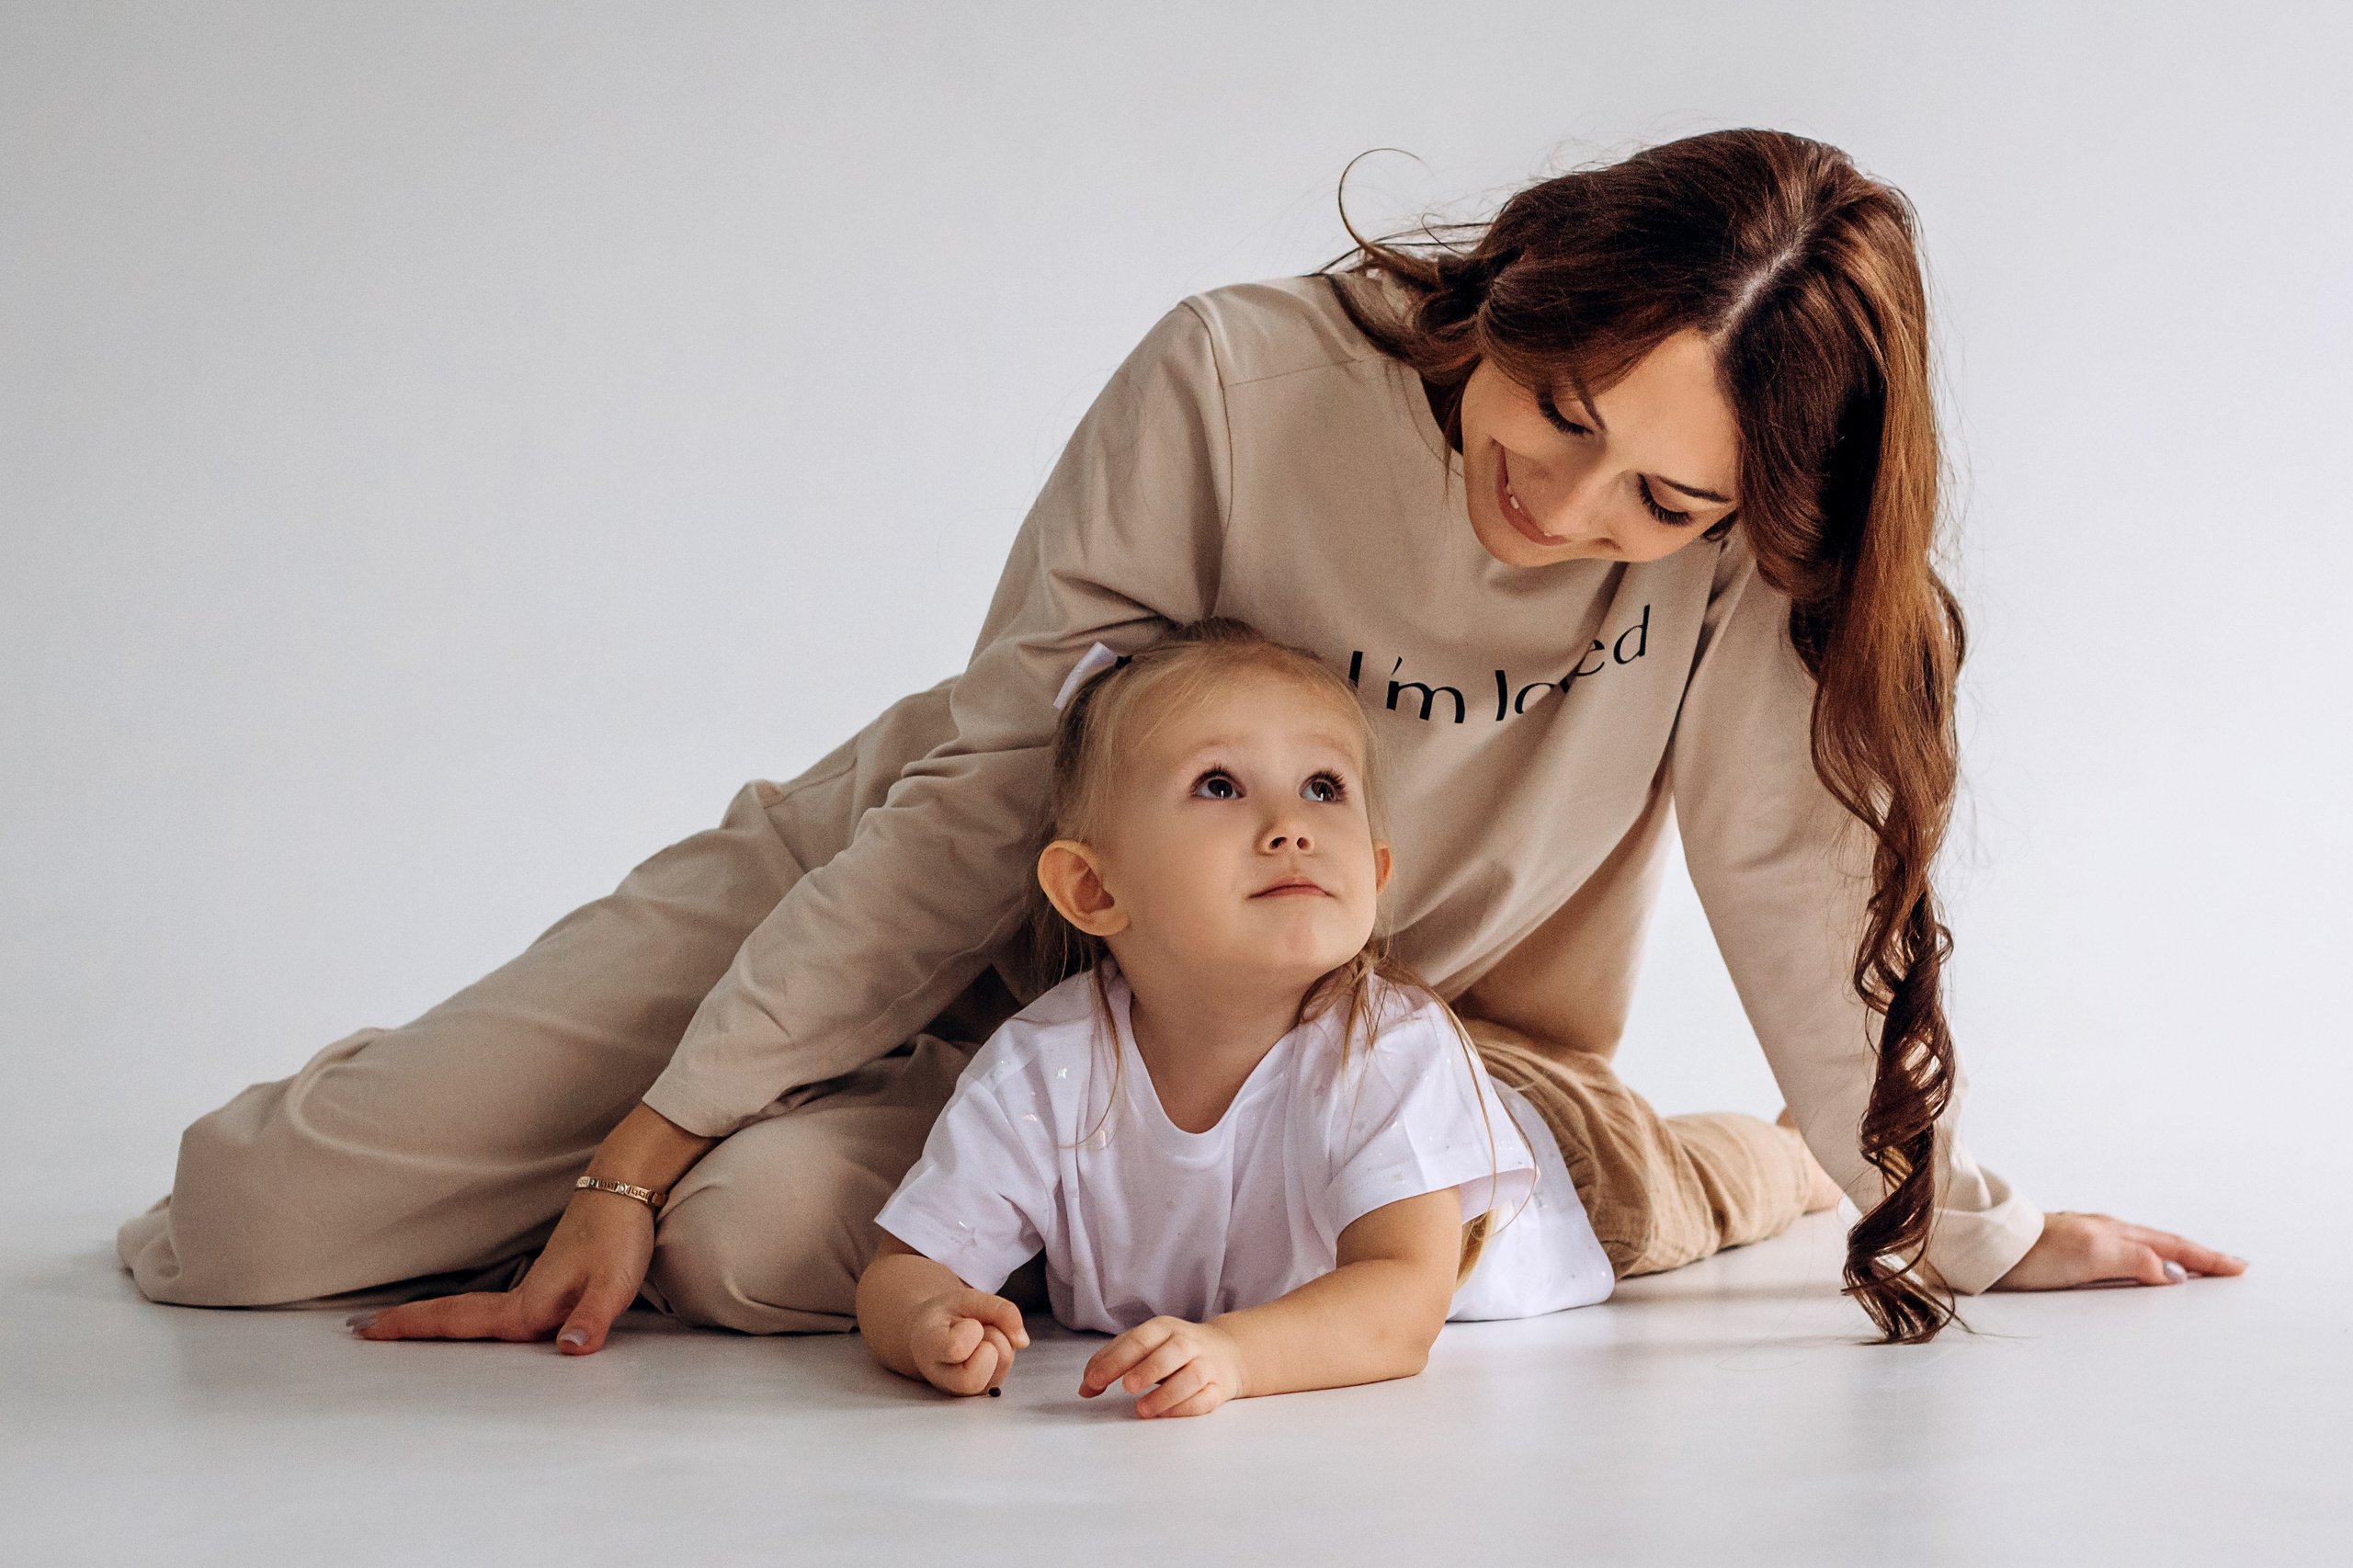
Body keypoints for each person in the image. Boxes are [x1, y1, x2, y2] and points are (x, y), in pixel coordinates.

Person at [126, 128, 2241, 1357]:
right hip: (952, 888)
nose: (1568, 506)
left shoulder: (1735, 575)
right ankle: (789, 1113)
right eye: (1560, 412)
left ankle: (1711, 1164)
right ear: (1527, 282)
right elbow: (979, 793)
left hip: (1322, 1035)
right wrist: (629, 1135)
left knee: (760, 1246)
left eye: (1654, 502)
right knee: (244, 1226)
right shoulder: (1239, 377)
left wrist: (1945, 1207)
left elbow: (1791, 903)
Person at [858, 620, 1840, 1416]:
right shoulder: (1046, 1064)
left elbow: (1400, 1305)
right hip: (1445, 1094)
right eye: (1218, 784)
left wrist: (1237, 1356)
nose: (1290, 823)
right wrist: (931, 1320)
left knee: (1700, 1183)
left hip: (1563, 1175)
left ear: (1370, 872)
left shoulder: (1387, 1045)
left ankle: (1797, 1155)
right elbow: (907, 1264)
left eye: (1323, 786)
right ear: (1091, 884)